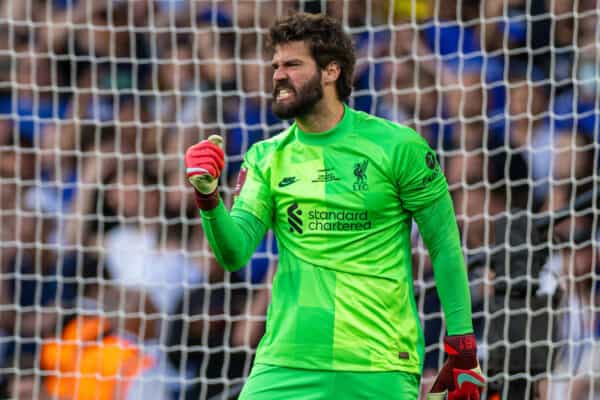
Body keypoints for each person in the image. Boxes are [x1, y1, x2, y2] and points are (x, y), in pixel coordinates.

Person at [184, 12, 485, 400]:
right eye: (276, 65)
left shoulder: (399, 146)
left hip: (378, 362)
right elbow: (233, 253)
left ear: (330, 71)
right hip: (286, 361)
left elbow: (444, 244)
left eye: (292, 64)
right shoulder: (265, 157)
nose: (277, 75)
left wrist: (462, 345)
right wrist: (208, 199)